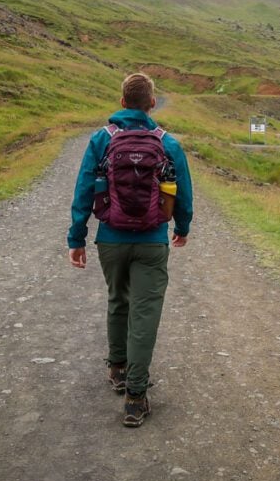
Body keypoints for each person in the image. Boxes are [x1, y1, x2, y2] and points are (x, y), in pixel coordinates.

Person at [67, 72, 193, 427]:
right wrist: (181, 228)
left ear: (122, 103)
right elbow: (182, 193)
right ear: (152, 104)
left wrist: (77, 238)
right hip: (152, 241)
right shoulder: (168, 143)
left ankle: (118, 369)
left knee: (117, 299)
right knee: (145, 313)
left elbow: (82, 191)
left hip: (110, 239)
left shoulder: (101, 139)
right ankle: (136, 398)